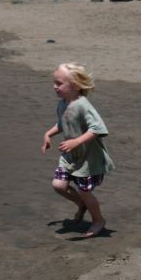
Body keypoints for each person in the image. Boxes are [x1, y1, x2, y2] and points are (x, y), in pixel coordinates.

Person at [41, 63, 115, 237]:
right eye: (54, 82)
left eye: (59, 83)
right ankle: (81, 204)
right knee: (58, 185)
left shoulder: (83, 105)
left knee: (84, 191)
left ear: (75, 85)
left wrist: (76, 141)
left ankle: (98, 220)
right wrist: (48, 134)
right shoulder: (62, 104)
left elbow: (97, 128)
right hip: (70, 156)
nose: (55, 86)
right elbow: (63, 123)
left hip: (87, 158)